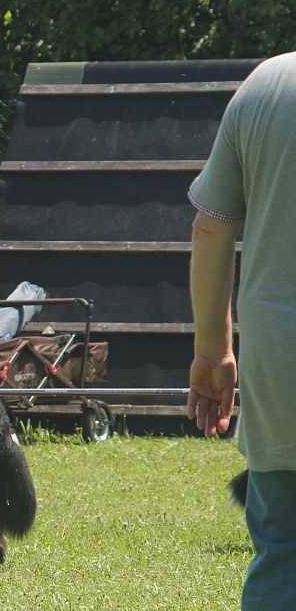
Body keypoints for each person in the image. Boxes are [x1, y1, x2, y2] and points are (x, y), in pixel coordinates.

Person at [188, 52, 296, 609]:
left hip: (280, 365)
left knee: (283, 556)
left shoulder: (266, 85)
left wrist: (213, 351)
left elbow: (211, 228)